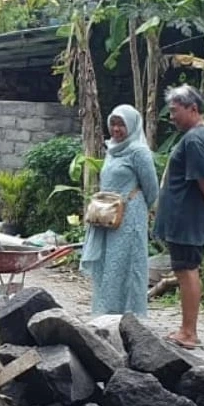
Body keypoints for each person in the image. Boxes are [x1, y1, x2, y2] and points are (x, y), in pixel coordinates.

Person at [154, 84, 204, 349]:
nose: (171, 117)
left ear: (193, 108)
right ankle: (187, 328)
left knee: (186, 270)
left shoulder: (194, 139)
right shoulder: (203, 136)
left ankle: (189, 332)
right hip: (186, 217)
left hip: (186, 218)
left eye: (175, 111)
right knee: (186, 269)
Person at [80, 104, 159, 316]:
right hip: (106, 218)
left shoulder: (139, 152)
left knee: (126, 265)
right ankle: (107, 312)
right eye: (113, 124)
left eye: (121, 124)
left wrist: (133, 205)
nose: (116, 129)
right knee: (108, 266)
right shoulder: (112, 149)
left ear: (132, 125)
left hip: (130, 219)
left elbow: (152, 189)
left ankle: (130, 315)